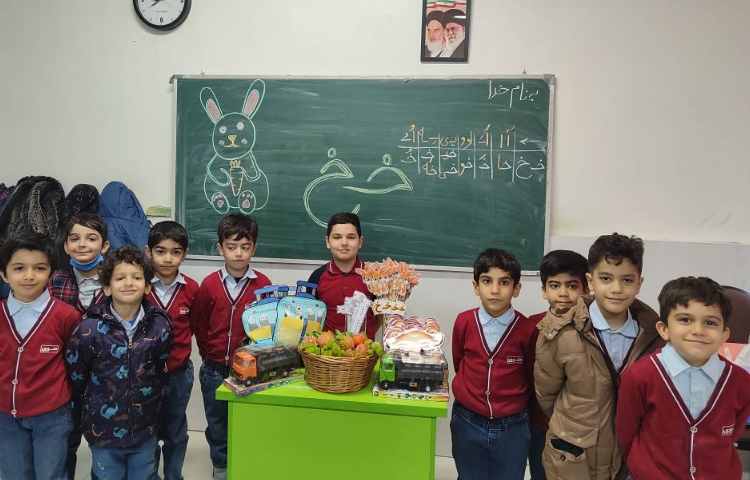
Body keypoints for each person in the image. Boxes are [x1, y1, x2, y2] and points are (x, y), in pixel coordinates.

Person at [534, 233, 662, 480]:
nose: (616, 289)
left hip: (628, 455)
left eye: (627, 280)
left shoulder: (653, 335)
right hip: (574, 455)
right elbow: (546, 395)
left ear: (639, 283)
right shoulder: (560, 332)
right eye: (606, 278)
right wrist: (576, 423)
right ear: (590, 281)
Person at [617, 277, 750, 479]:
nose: (698, 331)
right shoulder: (639, 376)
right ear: (664, 329)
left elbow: (733, 431)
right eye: (685, 320)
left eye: (710, 323)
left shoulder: (740, 382)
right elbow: (627, 433)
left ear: (724, 334)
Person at [65, 246, 172, 479]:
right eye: (120, 278)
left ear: (147, 286)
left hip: (145, 427)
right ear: (106, 287)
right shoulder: (88, 329)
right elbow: (77, 378)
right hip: (103, 430)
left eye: (136, 277)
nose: (128, 283)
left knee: (144, 474)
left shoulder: (160, 326)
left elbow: (161, 370)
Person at [190, 213, 271, 480]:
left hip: (249, 370)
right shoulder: (209, 285)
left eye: (245, 247)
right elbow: (199, 323)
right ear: (220, 248)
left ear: (253, 248)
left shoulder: (263, 285)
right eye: (232, 247)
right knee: (217, 422)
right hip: (214, 369)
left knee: (248, 419)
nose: (238, 253)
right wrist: (210, 353)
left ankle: (245, 463)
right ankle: (222, 467)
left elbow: (268, 328)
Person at [451, 248, 537, 479]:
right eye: (487, 281)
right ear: (475, 286)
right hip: (468, 420)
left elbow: (530, 374)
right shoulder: (464, 322)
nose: (495, 290)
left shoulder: (528, 330)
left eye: (504, 282)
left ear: (516, 288)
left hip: (513, 426)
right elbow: (459, 361)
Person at [0, 234, 81, 480]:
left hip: (52, 416)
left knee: (51, 474)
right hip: (5, 416)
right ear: (4, 274)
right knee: (14, 474)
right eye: (19, 268)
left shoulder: (66, 315)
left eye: (39, 268)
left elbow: (75, 364)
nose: (29, 276)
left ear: (51, 273)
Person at [49, 212, 110, 479]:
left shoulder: (117, 279)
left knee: (105, 443)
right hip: (64, 375)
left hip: (107, 376)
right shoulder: (54, 280)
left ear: (104, 246)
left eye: (91, 238)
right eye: (74, 239)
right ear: (66, 246)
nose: (82, 244)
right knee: (65, 439)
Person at [526, 250, 589, 480]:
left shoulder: (592, 330)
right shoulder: (533, 326)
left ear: (586, 288)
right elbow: (527, 375)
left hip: (581, 429)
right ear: (544, 290)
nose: (563, 293)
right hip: (540, 425)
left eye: (572, 285)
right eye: (554, 285)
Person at [145, 221, 199, 480]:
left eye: (175, 252)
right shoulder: (139, 285)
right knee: (147, 429)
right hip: (144, 374)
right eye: (160, 251)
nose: (167, 258)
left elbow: (198, 325)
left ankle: (174, 475)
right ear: (149, 252)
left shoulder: (192, 289)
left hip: (179, 373)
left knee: (175, 429)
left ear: (184, 254)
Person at [308, 212, 379, 339]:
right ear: (327, 242)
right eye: (337, 237)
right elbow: (310, 317)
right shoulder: (317, 277)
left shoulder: (374, 277)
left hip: (364, 349)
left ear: (360, 242)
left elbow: (380, 316)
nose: (344, 243)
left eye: (351, 237)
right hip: (327, 350)